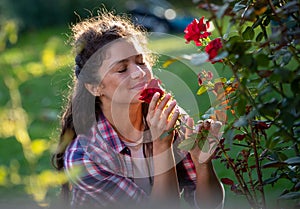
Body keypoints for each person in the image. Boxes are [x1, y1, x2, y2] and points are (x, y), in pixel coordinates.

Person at [52, 11, 224, 209]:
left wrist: (203, 164)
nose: (139, 73)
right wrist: (161, 147)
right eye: (122, 69)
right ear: (95, 87)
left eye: (141, 61)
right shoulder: (86, 157)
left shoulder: (166, 117)